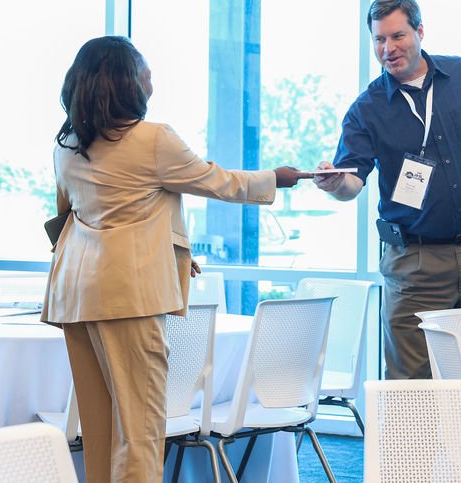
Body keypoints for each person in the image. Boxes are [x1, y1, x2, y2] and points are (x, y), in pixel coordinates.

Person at [41, 36, 310, 482]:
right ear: (125, 80)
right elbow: (216, 181)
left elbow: (77, 214)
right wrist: (275, 179)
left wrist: (170, 253)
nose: (152, 78)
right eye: (145, 69)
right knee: (141, 426)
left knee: (101, 426)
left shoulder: (68, 144)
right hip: (129, 298)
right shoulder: (152, 140)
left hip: (75, 294)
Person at [314, 0, 461, 380]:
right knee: (411, 383)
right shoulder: (367, 109)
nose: (388, 49)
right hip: (417, 263)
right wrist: (336, 182)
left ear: (420, 31)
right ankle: (415, 443)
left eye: (398, 36)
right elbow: (351, 182)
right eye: (378, 40)